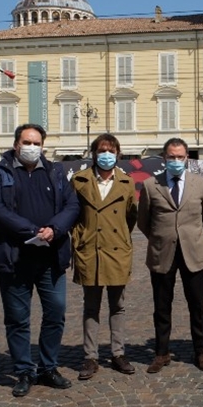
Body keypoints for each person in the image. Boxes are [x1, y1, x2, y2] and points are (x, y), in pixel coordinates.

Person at [0, 123, 79, 397]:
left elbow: (72, 206)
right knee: (17, 319)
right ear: (16, 145)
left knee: (56, 313)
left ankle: (48, 367)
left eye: (37, 143)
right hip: (14, 259)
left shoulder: (57, 173)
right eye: (27, 142)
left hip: (51, 257)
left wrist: (54, 229)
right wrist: (32, 230)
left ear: (43, 146)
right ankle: (25, 370)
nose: (32, 147)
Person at [138, 138, 203, 373]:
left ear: (186, 158)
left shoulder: (200, 183)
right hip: (162, 253)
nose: (176, 161)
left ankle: (201, 351)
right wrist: (162, 237)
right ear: (164, 158)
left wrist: (193, 237)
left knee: (197, 306)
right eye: (171, 157)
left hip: (193, 253)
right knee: (162, 307)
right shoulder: (151, 185)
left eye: (180, 157)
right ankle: (161, 353)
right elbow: (144, 221)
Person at [71, 134, 138, 380]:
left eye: (111, 150)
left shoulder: (127, 182)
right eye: (102, 150)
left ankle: (118, 353)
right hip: (90, 250)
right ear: (94, 153)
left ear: (118, 154)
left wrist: (119, 238)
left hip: (117, 250)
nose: (106, 155)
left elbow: (130, 217)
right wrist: (80, 239)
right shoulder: (79, 181)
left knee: (117, 306)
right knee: (91, 307)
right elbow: (73, 215)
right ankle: (90, 357)